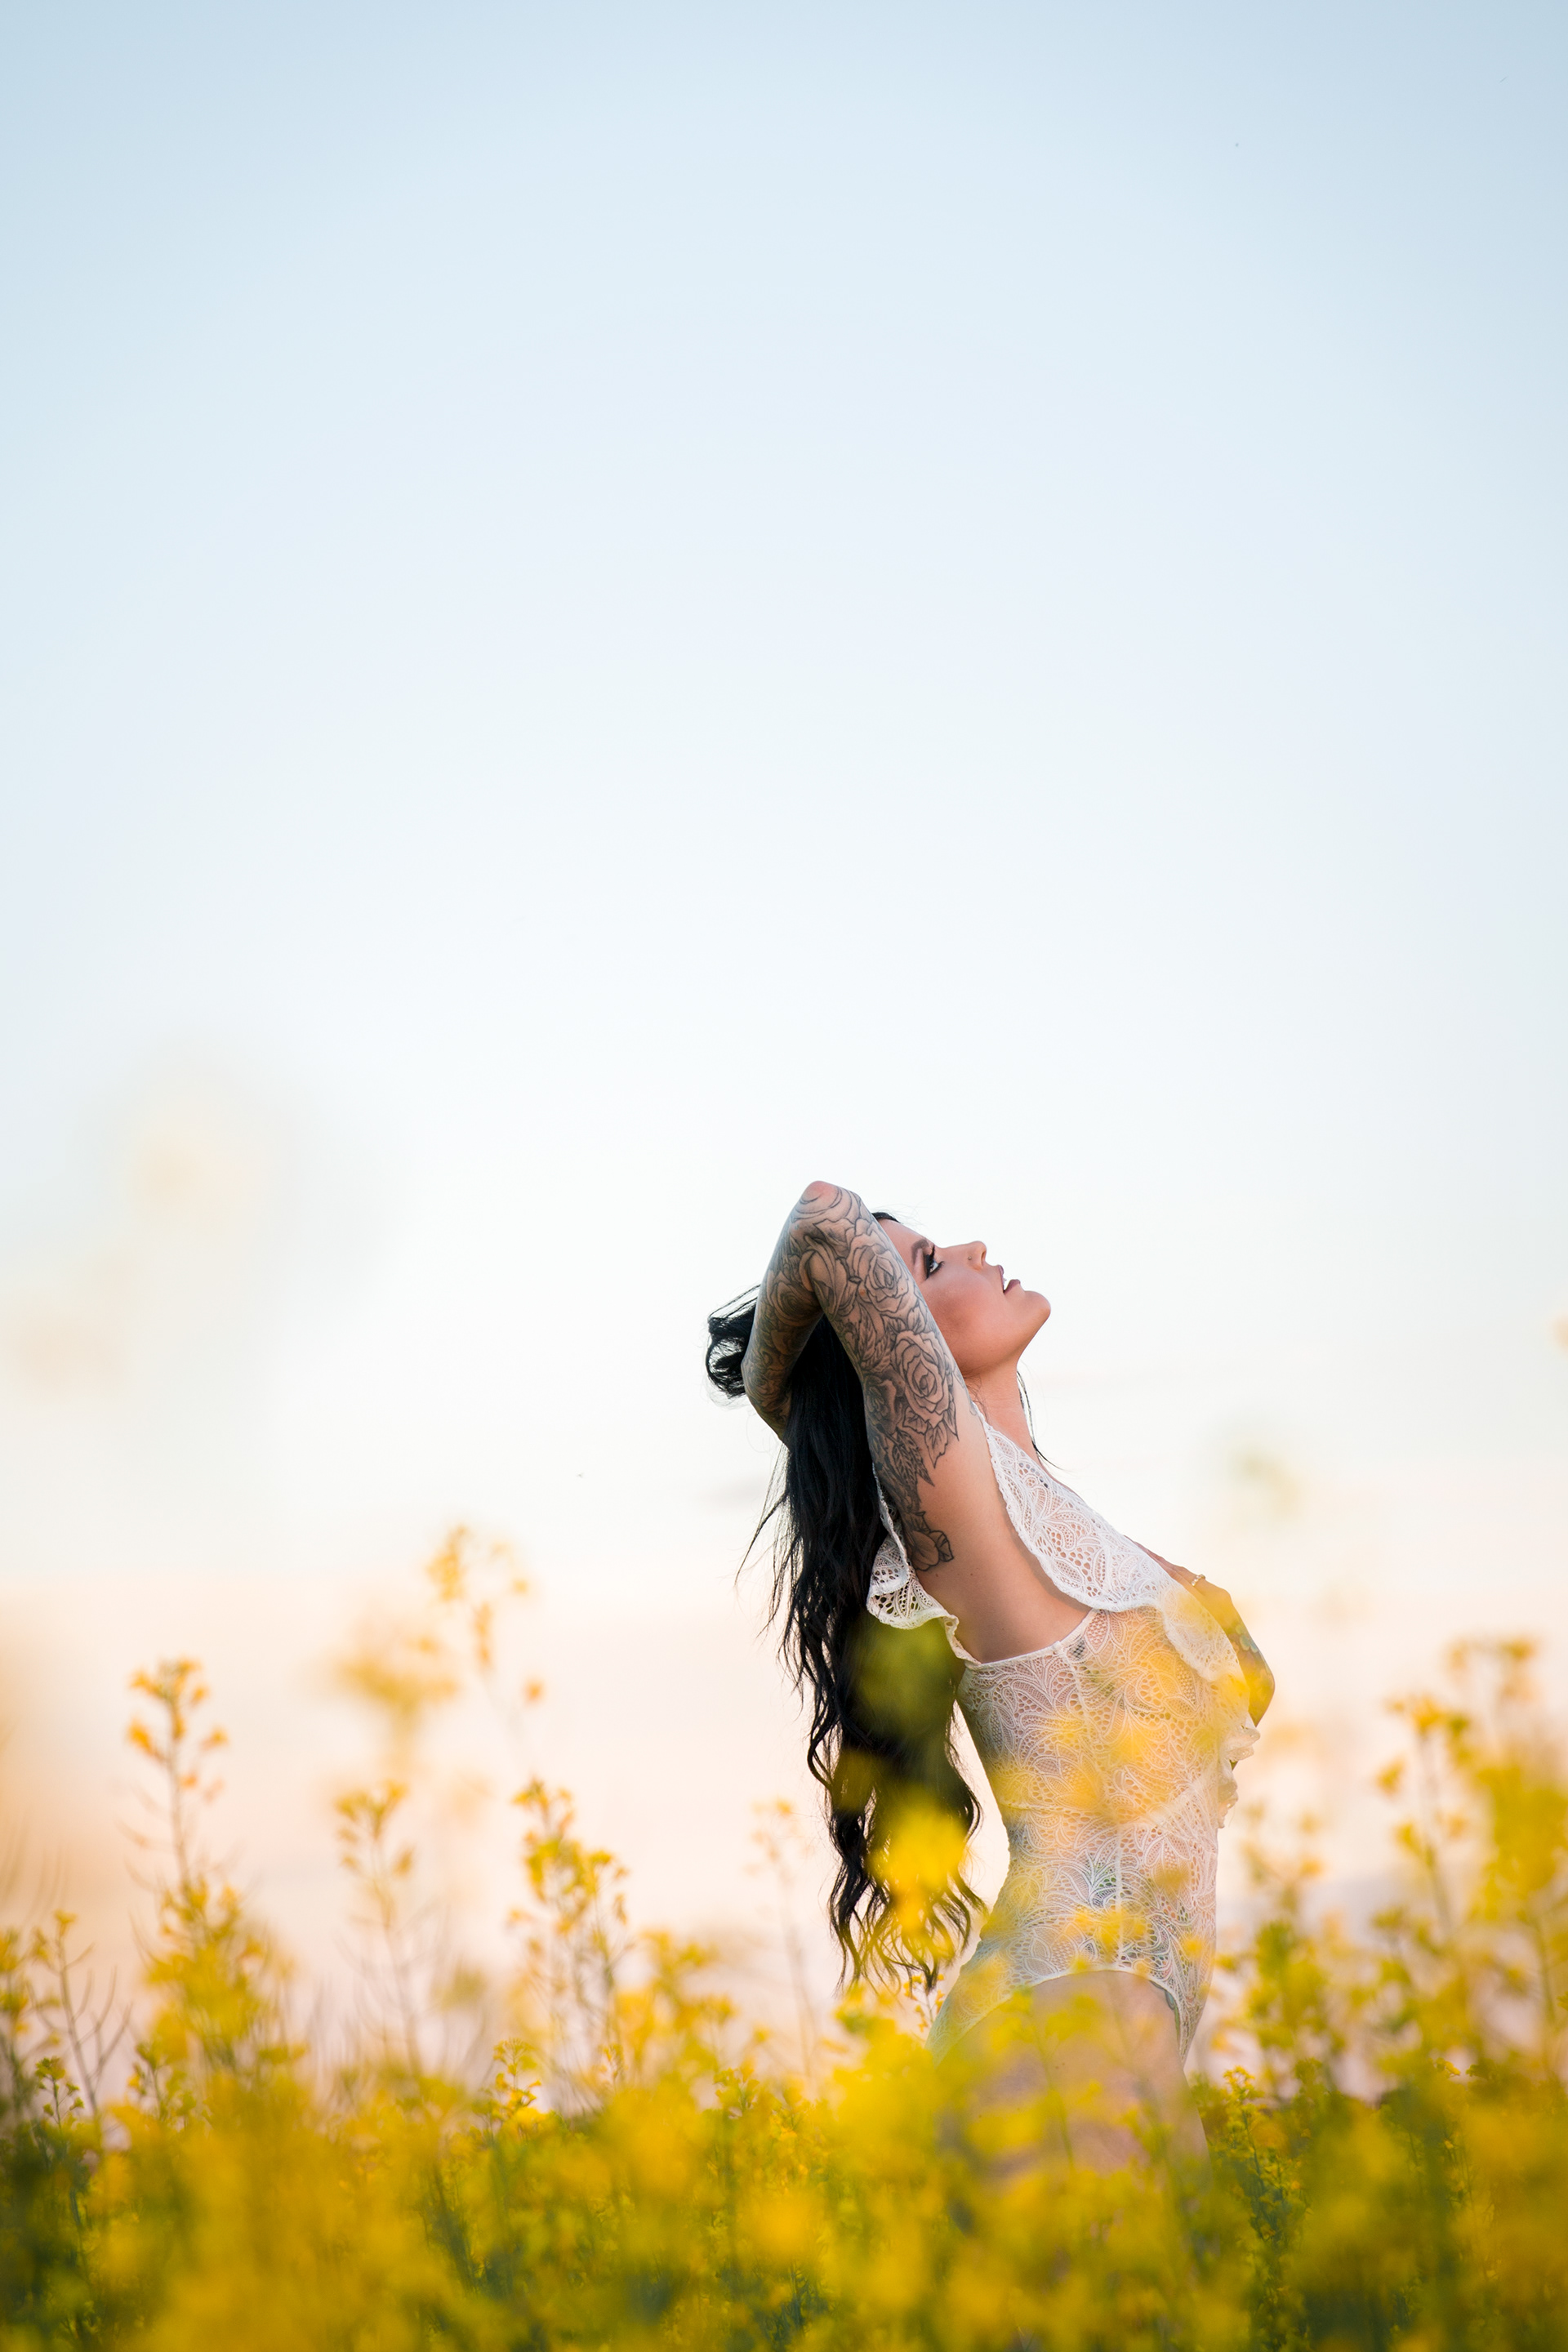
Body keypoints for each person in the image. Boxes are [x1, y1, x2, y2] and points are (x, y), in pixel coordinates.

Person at [706, 1183, 1272, 2172]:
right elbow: (827, 1221)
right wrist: (775, 1386)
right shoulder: (950, 1497)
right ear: (887, 1341)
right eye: (925, 1266)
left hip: (1126, 2021)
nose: (970, 1244)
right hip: (1065, 2018)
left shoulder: (1051, 1522)